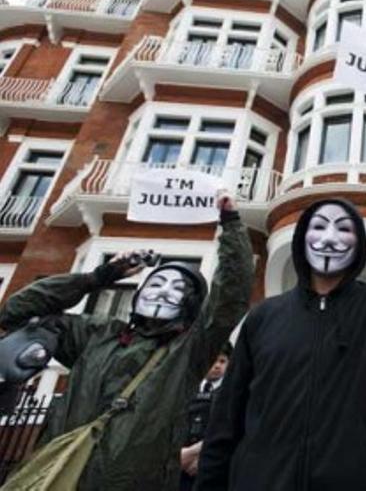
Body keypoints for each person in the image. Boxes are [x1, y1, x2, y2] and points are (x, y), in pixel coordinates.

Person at [197, 81, 366, 491]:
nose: (329, 238)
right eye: (317, 226)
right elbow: (226, 423)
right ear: (301, 239)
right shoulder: (264, 317)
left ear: (358, 243)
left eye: (344, 228)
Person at [0, 192, 253, 491]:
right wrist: (99, 277)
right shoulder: (96, 334)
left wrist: (231, 222)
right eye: (156, 283)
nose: (163, 292)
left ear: (191, 305)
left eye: (178, 289)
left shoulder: (188, 351)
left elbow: (231, 296)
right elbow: (19, 310)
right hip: (59, 476)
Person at [179, 344, 232, 491]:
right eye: (213, 361)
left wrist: (202, 455)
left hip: (210, 468)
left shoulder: (229, 394)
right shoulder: (184, 389)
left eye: (222, 361)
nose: (216, 366)